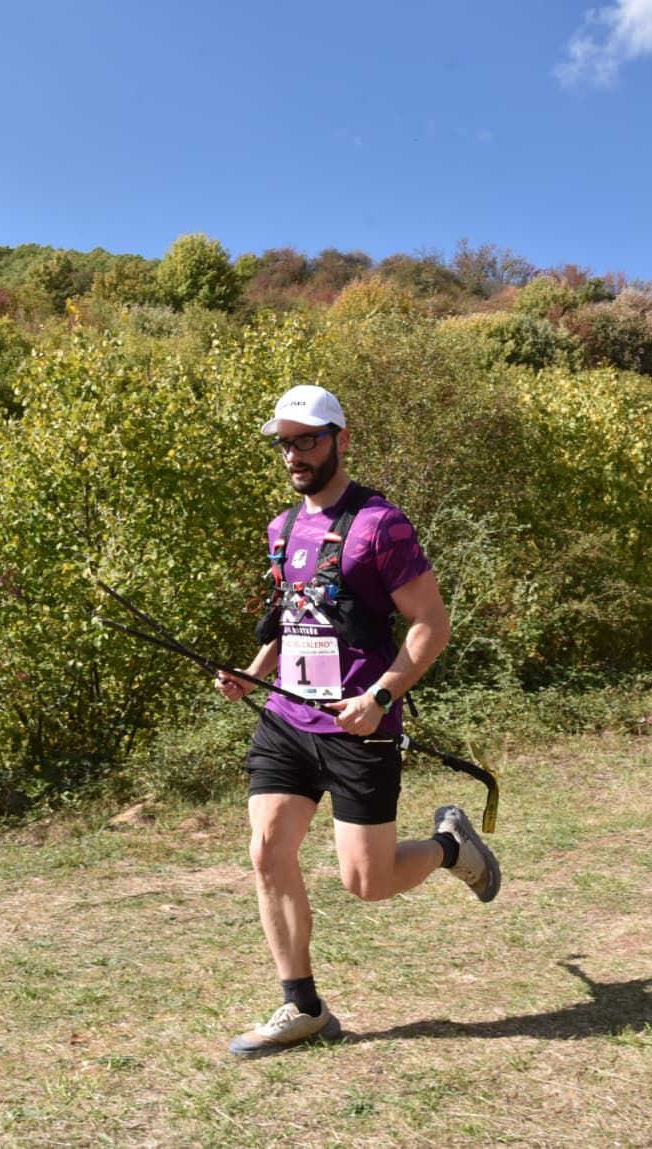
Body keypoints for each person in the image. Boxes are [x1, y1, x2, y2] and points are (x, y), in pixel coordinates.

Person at [216, 384, 501, 1057]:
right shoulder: (281, 528)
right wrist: (252, 672)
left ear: (341, 438)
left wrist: (380, 694)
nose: (293, 453)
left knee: (365, 882)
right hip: (287, 718)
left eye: (306, 438)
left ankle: (450, 848)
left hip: (359, 725)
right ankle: (302, 1005)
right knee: (266, 850)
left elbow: (432, 625)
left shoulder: (381, 525)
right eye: (284, 441)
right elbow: (294, 621)